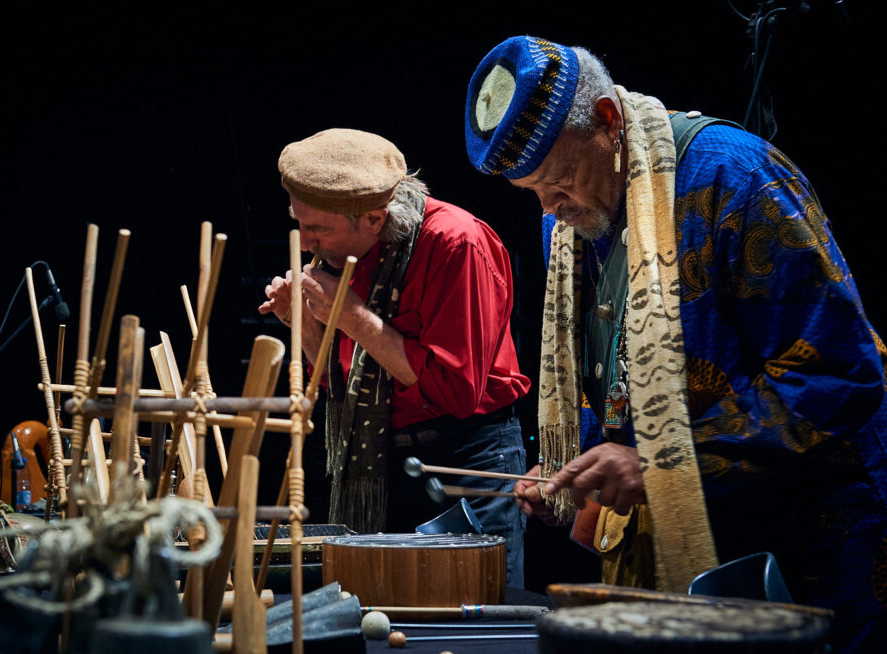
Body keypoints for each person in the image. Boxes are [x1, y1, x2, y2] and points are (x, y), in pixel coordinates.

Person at [464, 36, 887, 651]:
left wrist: (660, 464)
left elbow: (840, 377)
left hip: (810, 535)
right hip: (680, 547)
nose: (550, 206)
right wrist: (575, 468)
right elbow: (610, 380)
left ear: (608, 122)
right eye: (530, 190)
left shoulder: (735, 177)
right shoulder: (569, 225)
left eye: (559, 179)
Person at [259, 128, 531, 585]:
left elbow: (455, 392)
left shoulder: (455, 244)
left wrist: (353, 317)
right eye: (299, 223)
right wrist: (305, 322)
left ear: (373, 216)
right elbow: (335, 382)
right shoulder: (346, 250)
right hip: (386, 463)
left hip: (464, 462)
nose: (305, 243)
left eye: (317, 228)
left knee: (478, 622)